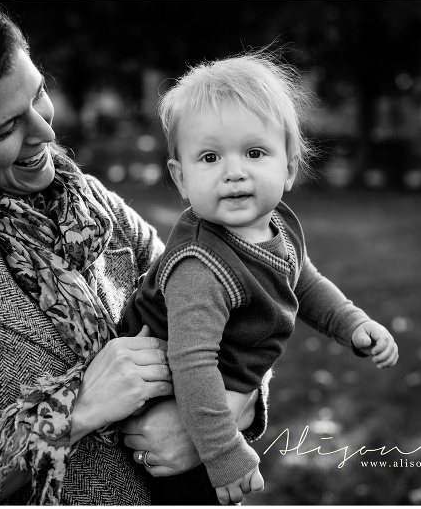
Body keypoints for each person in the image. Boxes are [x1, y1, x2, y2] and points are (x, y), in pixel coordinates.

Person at [0, 0, 265, 505]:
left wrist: (222, 416)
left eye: (38, 94)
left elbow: (235, 307)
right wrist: (72, 414)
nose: (46, 132)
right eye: (4, 129)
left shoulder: (92, 205)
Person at [119, 52, 399, 505]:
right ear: (181, 179)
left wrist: (350, 322)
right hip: (170, 413)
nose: (234, 171)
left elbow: (301, 279)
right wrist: (224, 453)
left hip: (219, 399)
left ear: (288, 168)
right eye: (210, 157)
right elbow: (193, 367)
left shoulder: (277, 227)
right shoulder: (200, 268)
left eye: (254, 152)